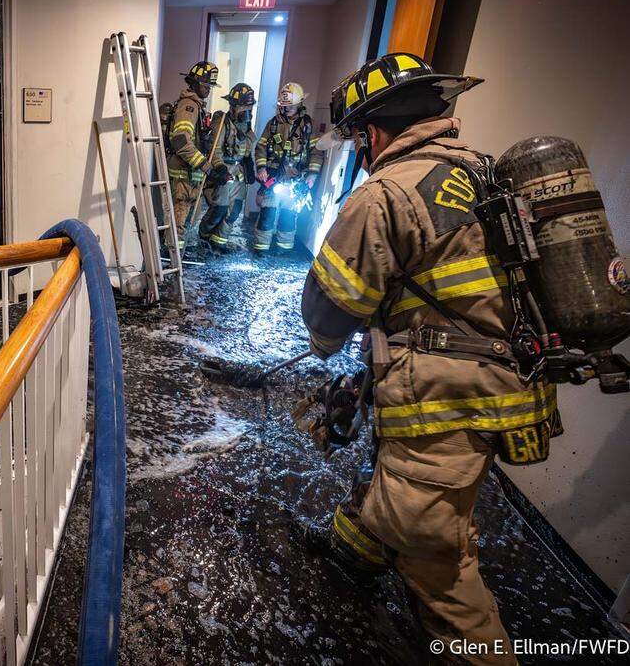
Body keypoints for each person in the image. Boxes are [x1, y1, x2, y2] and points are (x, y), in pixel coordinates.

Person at [299, 53, 559, 665]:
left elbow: (330, 308)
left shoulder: (384, 194)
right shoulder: (484, 174)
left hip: (447, 395)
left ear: (373, 133)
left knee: (435, 561)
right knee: (409, 473)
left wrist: (326, 345)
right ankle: (361, 547)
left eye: (359, 138)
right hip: (514, 384)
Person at [253, 82, 323, 252]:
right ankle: (260, 248)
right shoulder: (273, 124)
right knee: (267, 214)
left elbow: (316, 151)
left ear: (299, 103)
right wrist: (261, 168)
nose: (286, 109)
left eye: (290, 106)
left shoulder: (309, 125)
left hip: (296, 179)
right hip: (273, 176)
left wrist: (312, 174)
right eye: (284, 106)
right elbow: (260, 147)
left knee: (288, 216)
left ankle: (283, 248)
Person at [167, 62, 227, 241]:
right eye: (206, 85)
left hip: (191, 175)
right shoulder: (189, 107)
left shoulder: (198, 107)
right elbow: (181, 142)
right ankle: (173, 262)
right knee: (178, 223)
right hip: (183, 175)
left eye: (211, 86)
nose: (209, 89)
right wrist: (207, 168)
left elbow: (202, 142)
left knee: (186, 222)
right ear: (195, 83)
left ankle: (178, 259)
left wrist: (217, 166)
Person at [198, 83, 257, 252]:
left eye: (250, 107)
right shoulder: (222, 121)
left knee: (234, 211)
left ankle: (219, 242)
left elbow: (246, 150)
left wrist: (249, 165)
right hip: (224, 171)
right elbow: (214, 151)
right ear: (233, 106)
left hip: (239, 172)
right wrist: (221, 170)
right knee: (219, 209)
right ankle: (204, 234)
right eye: (244, 107)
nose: (247, 111)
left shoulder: (246, 126)